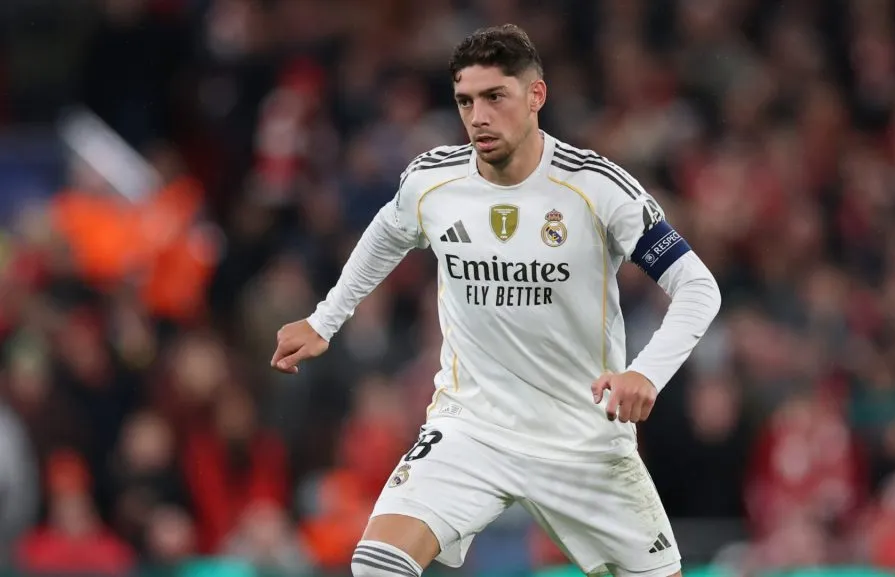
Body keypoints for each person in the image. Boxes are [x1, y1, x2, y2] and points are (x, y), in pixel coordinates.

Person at [270, 24, 721, 577]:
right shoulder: (433, 183)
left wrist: (646, 374)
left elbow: (698, 287)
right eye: (465, 101)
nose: (477, 117)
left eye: (494, 97)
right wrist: (325, 320)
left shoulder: (597, 188)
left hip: (583, 440)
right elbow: (386, 234)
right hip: (472, 428)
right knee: (377, 564)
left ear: (536, 96)